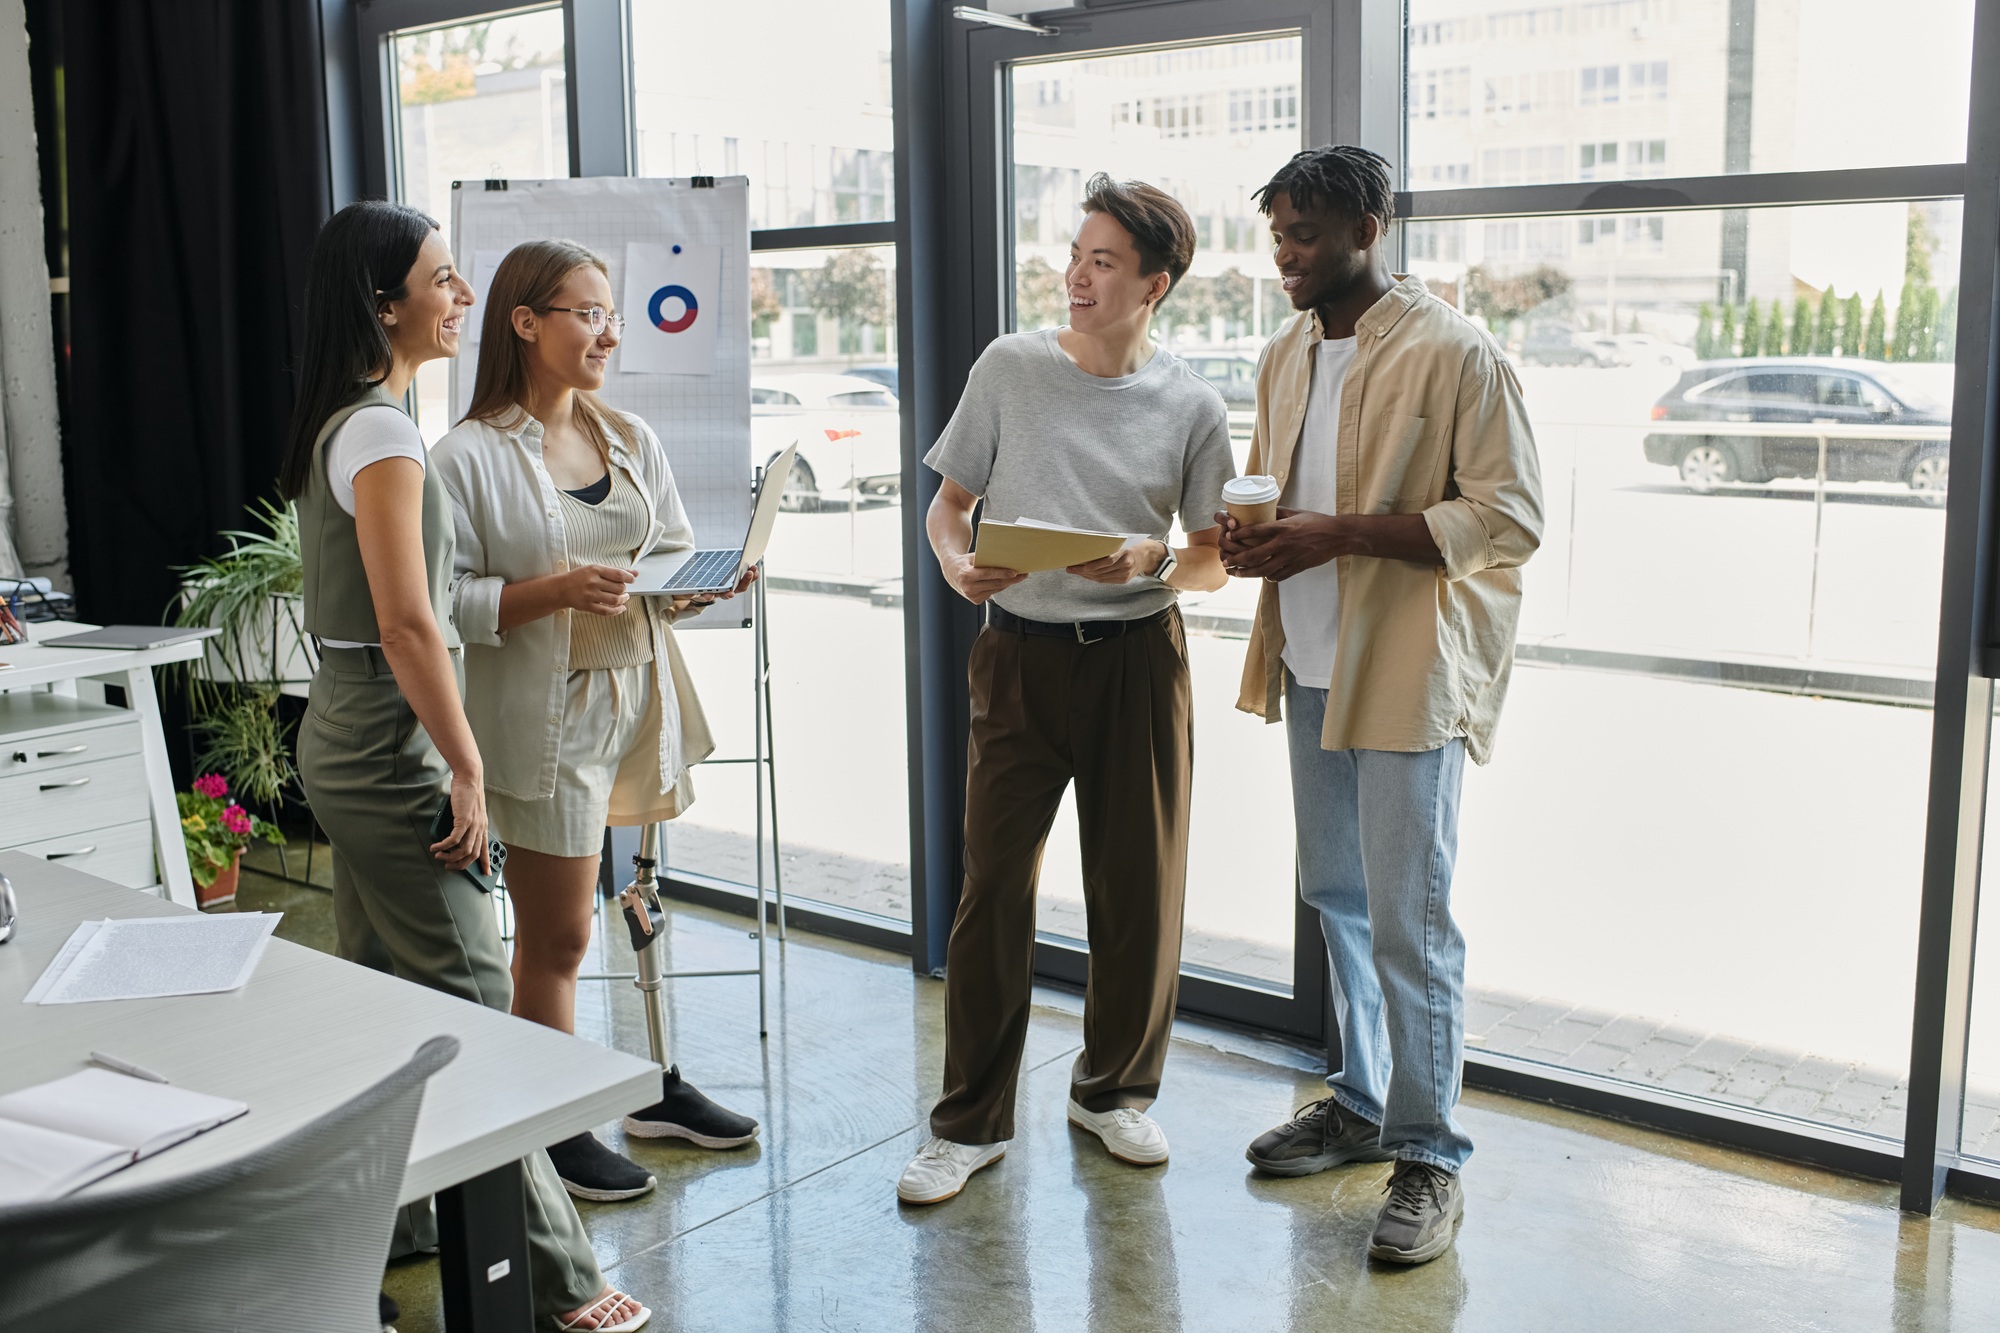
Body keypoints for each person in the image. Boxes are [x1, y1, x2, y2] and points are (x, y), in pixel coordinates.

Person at [282, 201, 649, 1333]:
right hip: (388, 736)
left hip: (349, 726)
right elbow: (409, 624)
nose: (459, 299)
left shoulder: (354, 420)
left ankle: (384, 1222)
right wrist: (467, 766)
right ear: (381, 303)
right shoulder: (386, 436)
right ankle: (559, 1278)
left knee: (383, 995)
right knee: (477, 1009)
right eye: (441, 281)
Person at [1219, 146, 1543, 1266]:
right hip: (1310, 660)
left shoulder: (1456, 353)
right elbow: (1280, 494)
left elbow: (1509, 518)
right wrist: (1253, 545)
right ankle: (1358, 1104)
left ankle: (1429, 1154)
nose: (1285, 255)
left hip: (1406, 672)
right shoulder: (1284, 353)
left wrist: (1339, 533)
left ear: (1370, 226)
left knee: (1410, 919)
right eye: (1275, 235)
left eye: (1304, 233)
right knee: (1336, 895)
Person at [897, 173, 1235, 1207]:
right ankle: (967, 1123)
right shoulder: (1008, 367)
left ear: (1153, 284)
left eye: (1101, 262)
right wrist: (956, 566)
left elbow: (1213, 560)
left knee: (1137, 887)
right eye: (1073, 256)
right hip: (1017, 653)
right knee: (991, 886)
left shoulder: (1190, 402)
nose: (1075, 277)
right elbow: (948, 508)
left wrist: (1150, 560)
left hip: (1136, 659)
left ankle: (1112, 1091)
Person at [434, 239, 760, 1203]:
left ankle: (647, 1093)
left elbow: (666, 546)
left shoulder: (626, 434)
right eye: (587, 313)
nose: (610, 333)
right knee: (559, 938)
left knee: (634, 906)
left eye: (612, 314)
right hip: (547, 714)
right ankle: (555, 1128)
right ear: (525, 323)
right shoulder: (464, 457)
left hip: (637, 695)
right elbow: (442, 601)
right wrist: (556, 590)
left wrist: (687, 589)